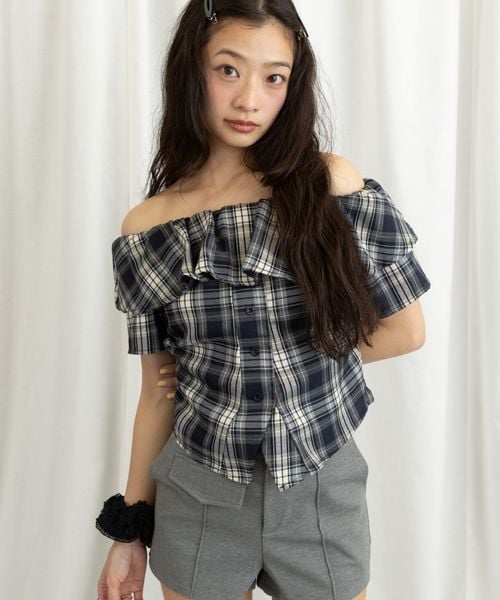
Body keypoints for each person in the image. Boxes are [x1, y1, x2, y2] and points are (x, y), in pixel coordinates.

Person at [95, 1, 431, 599]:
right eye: (228, 70)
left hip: (320, 489)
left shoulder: (331, 186)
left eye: (273, 77)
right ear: (191, 69)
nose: (249, 99)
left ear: (291, 86)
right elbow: (157, 392)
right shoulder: (148, 229)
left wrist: (292, 363)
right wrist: (129, 536)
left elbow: (405, 330)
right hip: (198, 496)